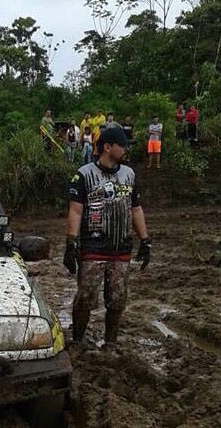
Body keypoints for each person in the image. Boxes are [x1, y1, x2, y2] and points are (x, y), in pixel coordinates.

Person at [64, 126, 151, 346]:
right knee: (85, 298)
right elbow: (75, 210)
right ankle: (78, 340)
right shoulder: (83, 175)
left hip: (121, 248)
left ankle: (110, 343)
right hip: (93, 247)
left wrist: (145, 240)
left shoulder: (129, 174)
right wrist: (71, 243)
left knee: (117, 299)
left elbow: (136, 209)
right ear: (107, 147)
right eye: (122, 146)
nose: (125, 150)